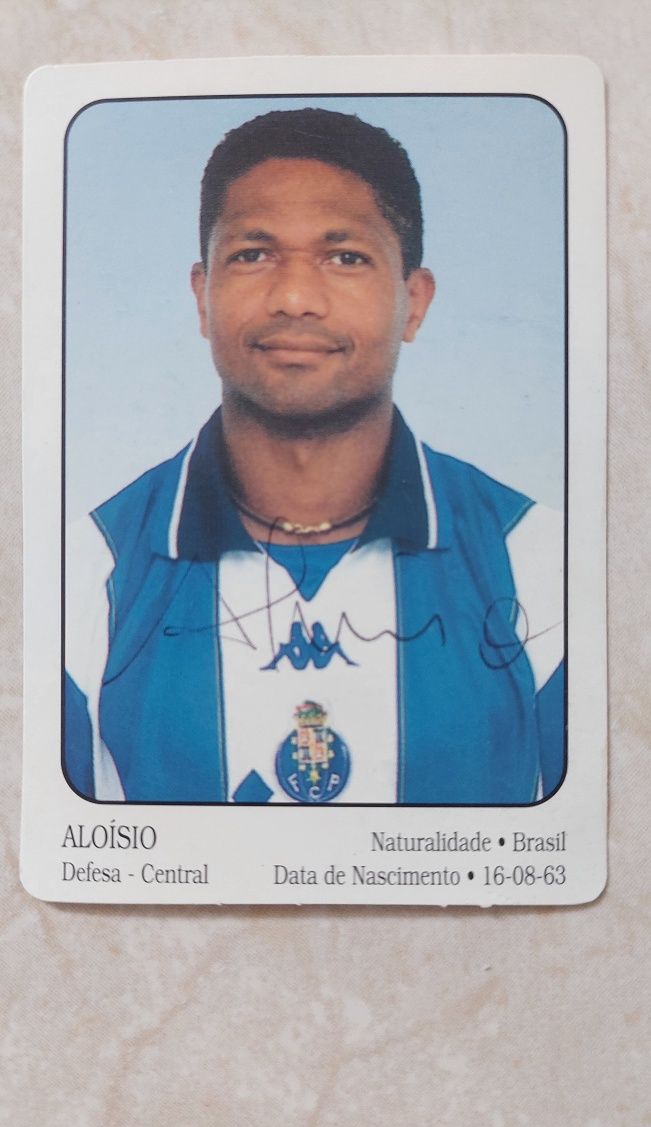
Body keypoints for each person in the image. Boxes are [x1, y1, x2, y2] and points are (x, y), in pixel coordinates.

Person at [65, 107, 564, 805]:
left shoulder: (542, 565)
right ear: (203, 297)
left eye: (345, 257)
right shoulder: (84, 575)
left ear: (413, 302)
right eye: (253, 254)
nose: (296, 297)